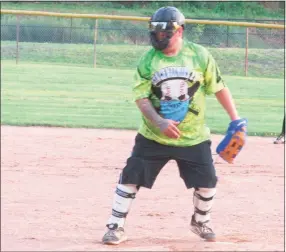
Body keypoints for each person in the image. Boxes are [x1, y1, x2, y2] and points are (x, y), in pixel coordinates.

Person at [102, 6, 245, 245]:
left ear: (179, 31)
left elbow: (219, 87)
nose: (159, 37)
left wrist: (235, 118)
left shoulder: (199, 55)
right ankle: (115, 226)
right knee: (131, 175)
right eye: (155, 33)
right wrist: (159, 123)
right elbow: (141, 97)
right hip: (154, 135)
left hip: (193, 136)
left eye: (164, 33)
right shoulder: (148, 60)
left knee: (208, 181)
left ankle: (200, 221)